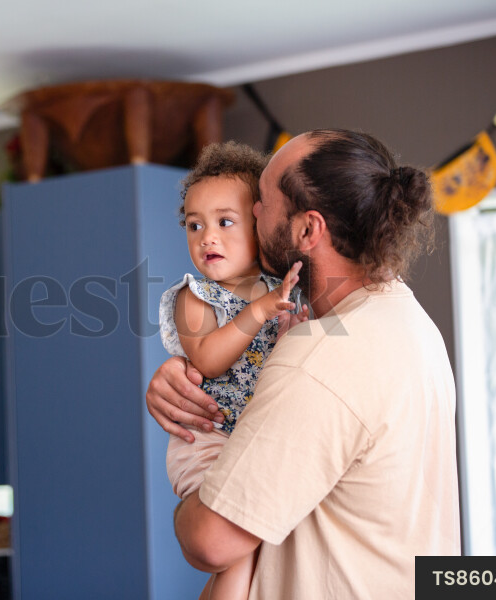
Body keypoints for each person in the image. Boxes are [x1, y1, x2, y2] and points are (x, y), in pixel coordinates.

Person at [146, 129, 460, 599]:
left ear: (308, 229)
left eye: (263, 201)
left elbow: (209, 542)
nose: (253, 211)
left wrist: (196, 496)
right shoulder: (408, 321)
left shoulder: (319, 355)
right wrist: (187, 372)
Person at [158, 142, 307, 599]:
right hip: (207, 441)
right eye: (194, 225)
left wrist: (288, 327)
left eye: (225, 222)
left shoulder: (279, 289)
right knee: (236, 547)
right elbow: (206, 358)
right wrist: (260, 311)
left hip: (248, 439)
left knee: (257, 552)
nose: (207, 237)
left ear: (260, 227)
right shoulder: (195, 297)